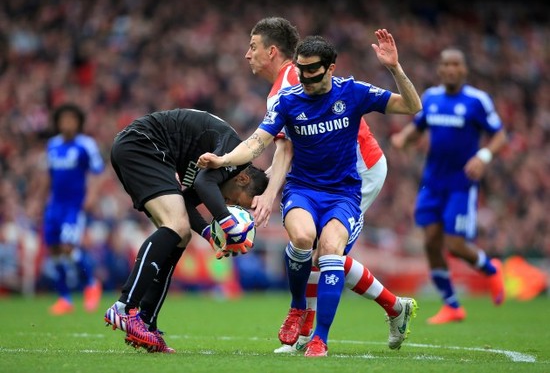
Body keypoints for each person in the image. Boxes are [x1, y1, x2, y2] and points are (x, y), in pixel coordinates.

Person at [199, 29, 422, 357]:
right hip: (307, 185)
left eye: (253, 47)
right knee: (308, 243)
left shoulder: (346, 90)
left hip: (355, 177)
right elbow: (266, 144)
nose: (247, 54)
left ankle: (321, 333)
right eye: (302, 70)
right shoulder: (288, 97)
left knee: (328, 253)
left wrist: (395, 68)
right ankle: (304, 315)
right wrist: (227, 161)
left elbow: (412, 107)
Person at [103, 108, 268, 353]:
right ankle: (124, 308)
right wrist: (226, 222)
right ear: (243, 179)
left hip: (141, 148)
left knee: (180, 235)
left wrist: (210, 235)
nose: (230, 205)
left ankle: (146, 322)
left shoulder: (219, 169)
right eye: (238, 202)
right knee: (175, 226)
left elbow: (188, 200)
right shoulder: (235, 155)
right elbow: (203, 184)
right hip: (143, 143)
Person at [390, 48, 507, 325]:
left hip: (460, 185)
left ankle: (491, 268)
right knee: (430, 242)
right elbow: (417, 127)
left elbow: (499, 135)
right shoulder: (430, 98)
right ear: (440, 70)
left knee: (454, 245)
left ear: (464, 70)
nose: (451, 69)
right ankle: (452, 305)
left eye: (456, 64)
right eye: (446, 65)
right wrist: (402, 139)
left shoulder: (477, 101)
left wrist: (483, 156)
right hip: (432, 184)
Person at [29, 103, 105, 315]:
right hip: (54, 205)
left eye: (71, 119)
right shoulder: (52, 145)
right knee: (53, 251)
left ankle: (91, 284)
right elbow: (47, 176)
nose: (67, 123)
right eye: (63, 119)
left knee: (68, 248)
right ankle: (64, 298)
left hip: (74, 205)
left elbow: (98, 172)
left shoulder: (86, 145)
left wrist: (92, 196)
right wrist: (38, 200)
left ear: (78, 122)